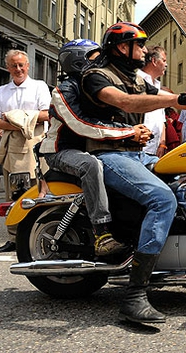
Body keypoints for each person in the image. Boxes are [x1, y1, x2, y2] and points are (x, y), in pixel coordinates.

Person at [80, 22, 186, 324]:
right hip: (109, 154)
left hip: (139, 154)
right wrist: (178, 100)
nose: (144, 51)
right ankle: (135, 293)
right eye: (139, 46)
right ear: (122, 48)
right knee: (163, 199)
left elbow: (160, 93)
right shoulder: (96, 76)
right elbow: (126, 102)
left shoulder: (133, 77)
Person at [40, 39, 134, 257]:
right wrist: (128, 132)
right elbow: (81, 124)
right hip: (60, 151)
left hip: (88, 147)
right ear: (78, 62)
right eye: (94, 57)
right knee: (90, 165)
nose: (100, 61)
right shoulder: (64, 90)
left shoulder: (92, 87)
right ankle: (102, 234)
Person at [0, 49, 51, 253]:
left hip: (35, 146)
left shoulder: (39, 86)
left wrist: (14, 117)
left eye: (21, 65)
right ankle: (14, 238)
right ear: (7, 67)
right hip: (11, 148)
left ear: (28, 66)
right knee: (13, 192)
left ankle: (36, 235)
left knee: (36, 191)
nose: (18, 69)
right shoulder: (1, 91)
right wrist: (22, 125)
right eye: (14, 65)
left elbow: (47, 115)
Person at [137, 46, 168, 157]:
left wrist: (162, 144)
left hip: (155, 150)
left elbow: (162, 119)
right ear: (154, 61)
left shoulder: (158, 86)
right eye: (164, 60)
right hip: (139, 148)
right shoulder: (137, 80)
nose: (166, 65)